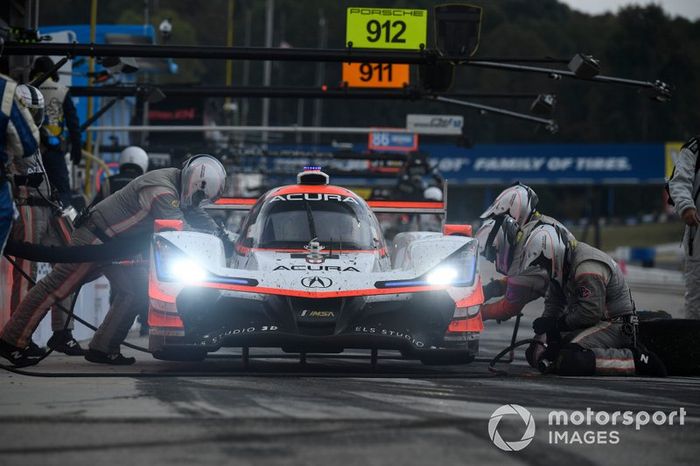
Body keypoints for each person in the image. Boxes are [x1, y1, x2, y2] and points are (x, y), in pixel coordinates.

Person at [0, 154, 227, 366]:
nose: (198, 201)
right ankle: (11, 342)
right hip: (94, 239)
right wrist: (213, 244)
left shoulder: (176, 183)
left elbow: (196, 212)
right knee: (55, 287)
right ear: (197, 183)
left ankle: (103, 348)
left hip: (109, 246)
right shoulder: (163, 190)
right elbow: (179, 230)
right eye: (200, 195)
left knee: (135, 291)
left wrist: (222, 236)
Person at [476, 216, 666, 376]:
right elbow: (554, 302)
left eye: (542, 261)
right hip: (590, 324)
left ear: (552, 253)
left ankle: (635, 360)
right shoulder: (559, 267)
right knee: (536, 352)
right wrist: (547, 328)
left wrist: (557, 327)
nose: (541, 266)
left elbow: (590, 312)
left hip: (613, 324)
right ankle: (562, 356)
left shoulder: (586, 267)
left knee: (570, 358)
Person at [9, 84, 84, 355]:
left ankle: (63, 332)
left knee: (71, 264)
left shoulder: (41, 143)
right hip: (24, 205)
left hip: (49, 206)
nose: (34, 117)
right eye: (30, 111)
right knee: (25, 273)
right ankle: (15, 338)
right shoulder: (9, 140)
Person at [477, 183, 575, 320]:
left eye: (503, 215)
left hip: (574, 302)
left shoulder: (528, 244)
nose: (500, 221)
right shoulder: (541, 225)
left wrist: (477, 313)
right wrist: (497, 286)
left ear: (515, 211)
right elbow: (531, 278)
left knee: (545, 337)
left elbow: (508, 307)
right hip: (566, 293)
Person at [29, 56, 82, 209]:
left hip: (30, 150)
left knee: (29, 193)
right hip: (54, 150)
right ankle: (60, 227)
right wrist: (76, 148)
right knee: (62, 191)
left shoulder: (26, 88)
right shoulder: (62, 91)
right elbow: (73, 123)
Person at [667, 136, 700, 319]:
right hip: (698, 236)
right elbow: (679, 182)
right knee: (697, 298)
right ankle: (695, 342)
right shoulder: (694, 149)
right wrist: (686, 206)